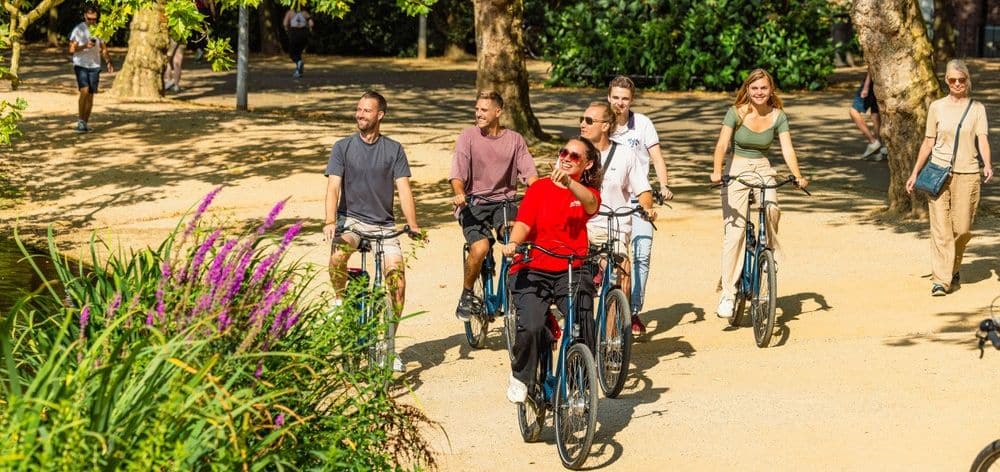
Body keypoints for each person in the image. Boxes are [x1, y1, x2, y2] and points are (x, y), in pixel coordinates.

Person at [322, 91, 423, 372]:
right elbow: (333, 187)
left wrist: (412, 224)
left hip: (384, 225)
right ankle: (341, 299)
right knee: (338, 257)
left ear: (380, 115)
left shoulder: (394, 149)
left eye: (367, 110)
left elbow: (404, 189)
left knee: (398, 284)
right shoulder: (342, 147)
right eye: (358, 109)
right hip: (351, 221)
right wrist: (330, 221)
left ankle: (388, 347)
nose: (360, 114)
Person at [502, 137, 601, 403]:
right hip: (534, 266)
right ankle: (521, 375)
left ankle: (577, 381)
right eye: (564, 152)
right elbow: (523, 222)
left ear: (587, 164)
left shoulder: (585, 193)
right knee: (532, 325)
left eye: (575, 156)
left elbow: (591, 204)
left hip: (572, 268)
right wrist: (514, 242)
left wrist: (569, 183)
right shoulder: (540, 188)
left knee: (582, 320)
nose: (567, 157)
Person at [710, 68, 809, 319]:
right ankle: (729, 294)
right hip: (737, 166)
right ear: (747, 89)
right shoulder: (736, 113)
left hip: (763, 166)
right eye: (754, 88)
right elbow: (722, 144)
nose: (759, 93)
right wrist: (716, 170)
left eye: (763, 88)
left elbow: (787, 149)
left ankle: (769, 251)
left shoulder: (778, 116)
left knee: (773, 208)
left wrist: (797, 175)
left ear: (771, 89)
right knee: (735, 232)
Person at [905, 59, 993, 296]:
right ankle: (941, 281)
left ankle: (952, 267)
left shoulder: (977, 109)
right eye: (952, 80)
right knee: (941, 229)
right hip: (939, 173)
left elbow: (982, 140)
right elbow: (928, 141)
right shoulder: (937, 107)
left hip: (968, 173)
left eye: (961, 80)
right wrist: (914, 173)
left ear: (967, 80)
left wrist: (988, 164)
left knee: (962, 229)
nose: (957, 84)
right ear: (946, 80)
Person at [449, 91, 538, 321]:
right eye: (477, 109)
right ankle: (467, 294)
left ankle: (518, 292)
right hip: (473, 203)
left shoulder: (514, 139)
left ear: (498, 112)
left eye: (484, 110)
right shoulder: (467, 137)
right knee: (479, 248)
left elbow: (530, 173)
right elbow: (457, 175)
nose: (478, 114)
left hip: (504, 203)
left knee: (515, 240)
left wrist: (536, 190)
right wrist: (460, 194)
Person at [607, 75, 672, 336]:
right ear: (608, 98)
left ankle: (633, 310)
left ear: (631, 101)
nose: (619, 103)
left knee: (642, 254)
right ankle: (611, 306)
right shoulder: (602, 123)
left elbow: (656, 157)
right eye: (615, 98)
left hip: (639, 199)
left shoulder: (643, 124)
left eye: (625, 99)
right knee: (611, 257)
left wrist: (663, 185)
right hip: (611, 201)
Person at [580, 101, 656, 299]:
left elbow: (643, 190)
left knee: (623, 269)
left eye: (589, 121)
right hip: (580, 226)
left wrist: (647, 208)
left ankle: (616, 327)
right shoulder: (573, 152)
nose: (583, 124)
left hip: (613, 226)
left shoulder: (626, 155)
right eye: (582, 120)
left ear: (605, 126)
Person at [68, 6, 114, 133]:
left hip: (95, 65)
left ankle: (85, 123)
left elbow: (104, 48)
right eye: (90, 19)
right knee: (84, 91)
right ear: (85, 16)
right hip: (81, 64)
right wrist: (84, 46)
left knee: (91, 94)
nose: (92, 22)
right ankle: (80, 121)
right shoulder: (78, 29)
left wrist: (108, 61)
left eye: (94, 19)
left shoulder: (100, 29)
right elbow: (71, 49)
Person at [849, 70, 886, 161]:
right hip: (882, 81)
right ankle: (878, 151)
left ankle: (872, 141)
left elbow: (871, 65)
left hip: (872, 81)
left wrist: (866, 86)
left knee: (853, 111)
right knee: (875, 114)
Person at [283, 7, 314, 78]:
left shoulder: (290, 12)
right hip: (303, 33)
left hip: (294, 33)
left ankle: (298, 63)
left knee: (292, 53)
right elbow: (311, 24)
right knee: (298, 52)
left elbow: (285, 23)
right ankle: (298, 71)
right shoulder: (305, 13)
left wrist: (288, 30)